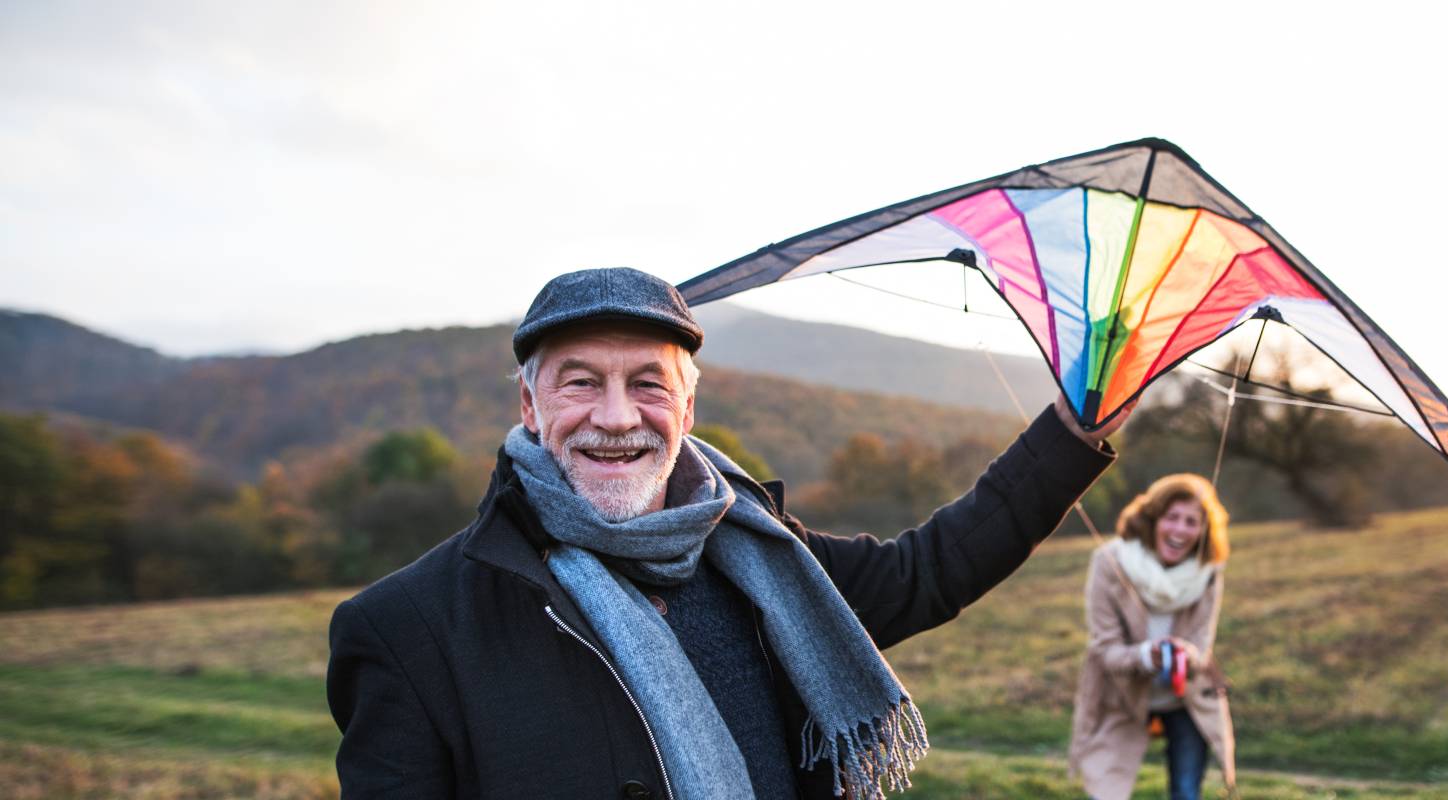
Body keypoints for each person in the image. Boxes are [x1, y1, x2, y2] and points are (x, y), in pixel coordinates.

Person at [326, 267, 1130, 799]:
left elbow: (931, 571)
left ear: (686, 409)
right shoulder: (410, 629)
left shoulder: (763, 557)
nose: (616, 416)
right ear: (530, 410)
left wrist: (1071, 433)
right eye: (581, 384)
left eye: (648, 384)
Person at [1069, 473, 1237, 800]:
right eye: (1171, 517)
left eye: (1192, 522)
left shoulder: (1209, 572)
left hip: (1184, 698)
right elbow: (1104, 648)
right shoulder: (1109, 561)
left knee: (1186, 793)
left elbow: (1203, 645)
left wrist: (1188, 655)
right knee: (1106, 794)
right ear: (1152, 519)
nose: (1179, 530)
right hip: (1120, 695)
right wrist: (1146, 656)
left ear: (1205, 531)